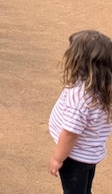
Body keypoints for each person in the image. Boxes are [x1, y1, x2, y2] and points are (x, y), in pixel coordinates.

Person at [48, 30, 112, 193]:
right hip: (90, 152)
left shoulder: (80, 96)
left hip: (75, 157)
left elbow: (70, 133)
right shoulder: (105, 86)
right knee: (84, 187)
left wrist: (57, 158)